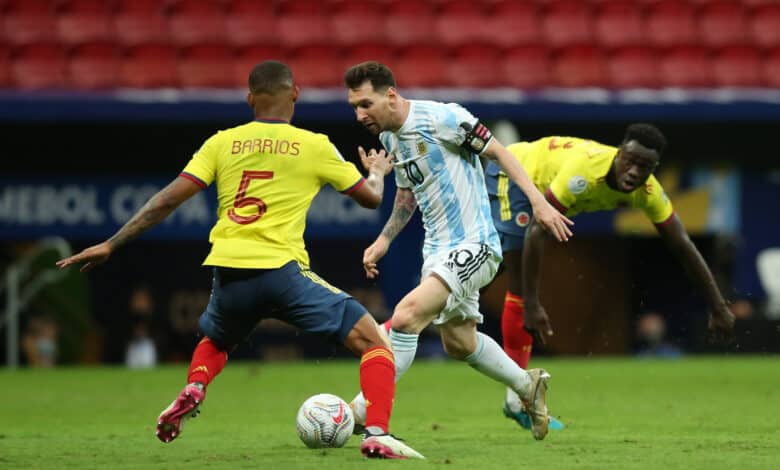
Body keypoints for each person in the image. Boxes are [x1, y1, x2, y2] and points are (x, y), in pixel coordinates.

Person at [55, 61, 423, 460]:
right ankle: (377, 434)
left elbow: (167, 200)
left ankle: (196, 385)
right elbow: (370, 200)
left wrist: (112, 243)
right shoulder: (314, 145)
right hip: (282, 271)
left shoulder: (221, 142)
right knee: (377, 344)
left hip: (228, 272)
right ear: (295, 94)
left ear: (250, 99)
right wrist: (377, 173)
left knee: (216, 338)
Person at [343, 61, 574, 441]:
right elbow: (407, 190)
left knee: (404, 317)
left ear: (390, 95)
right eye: (354, 106)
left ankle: (362, 411)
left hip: (476, 244)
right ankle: (527, 384)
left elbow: (500, 152)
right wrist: (385, 239)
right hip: (436, 252)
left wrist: (538, 203)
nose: (359, 114)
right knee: (459, 342)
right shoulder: (390, 138)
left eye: (365, 104)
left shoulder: (444, 118)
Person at [483, 125, 736, 428]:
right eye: (629, 160)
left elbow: (683, 245)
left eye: (644, 167)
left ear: (653, 169)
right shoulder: (585, 173)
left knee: (502, 273)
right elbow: (538, 231)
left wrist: (719, 306)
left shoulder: (649, 191)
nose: (633, 171)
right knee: (517, 284)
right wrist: (534, 304)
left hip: (540, 186)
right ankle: (516, 398)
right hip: (515, 173)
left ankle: (515, 398)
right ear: (618, 154)